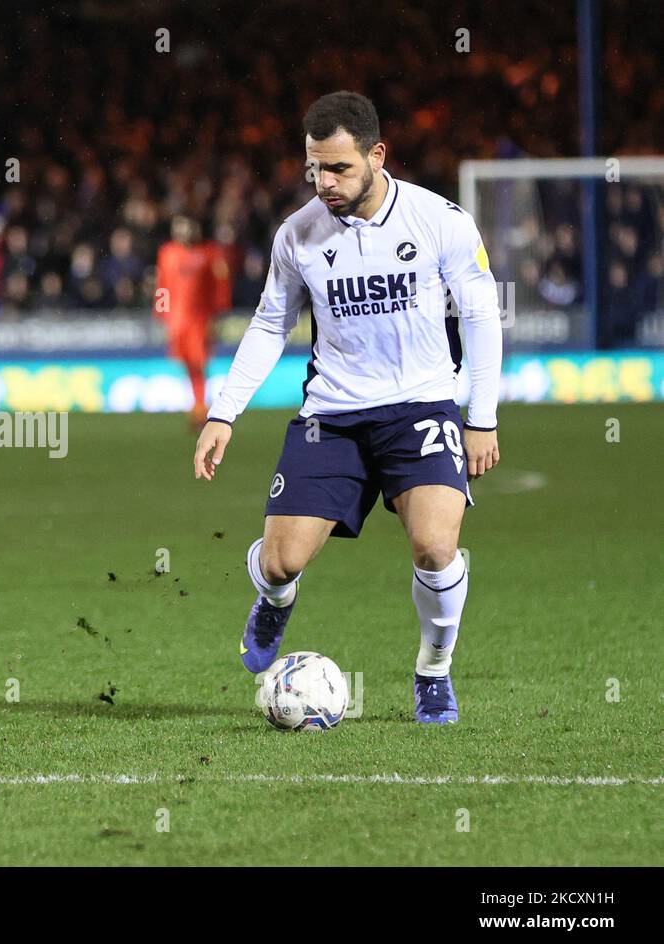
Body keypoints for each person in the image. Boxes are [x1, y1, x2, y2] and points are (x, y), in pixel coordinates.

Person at [193, 91, 502, 723]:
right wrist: (224, 413)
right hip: (330, 416)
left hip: (419, 407)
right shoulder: (298, 234)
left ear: (377, 155)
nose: (325, 183)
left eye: (339, 168)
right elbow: (267, 325)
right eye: (315, 169)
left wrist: (481, 417)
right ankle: (274, 599)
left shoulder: (439, 220)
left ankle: (433, 673)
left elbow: (480, 315)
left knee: (435, 549)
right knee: (280, 561)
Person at [154, 215, 231, 428]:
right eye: (177, 227)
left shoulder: (208, 252)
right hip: (177, 321)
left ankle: (200, 408)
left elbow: (219, 286)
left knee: (199, 362)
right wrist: (162, 315)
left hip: (200, 320)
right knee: (188, 363)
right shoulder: (167, 253)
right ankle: (197, 406)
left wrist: (218, 314)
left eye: (185, 226)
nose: (181, 231)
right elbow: (162, 285)